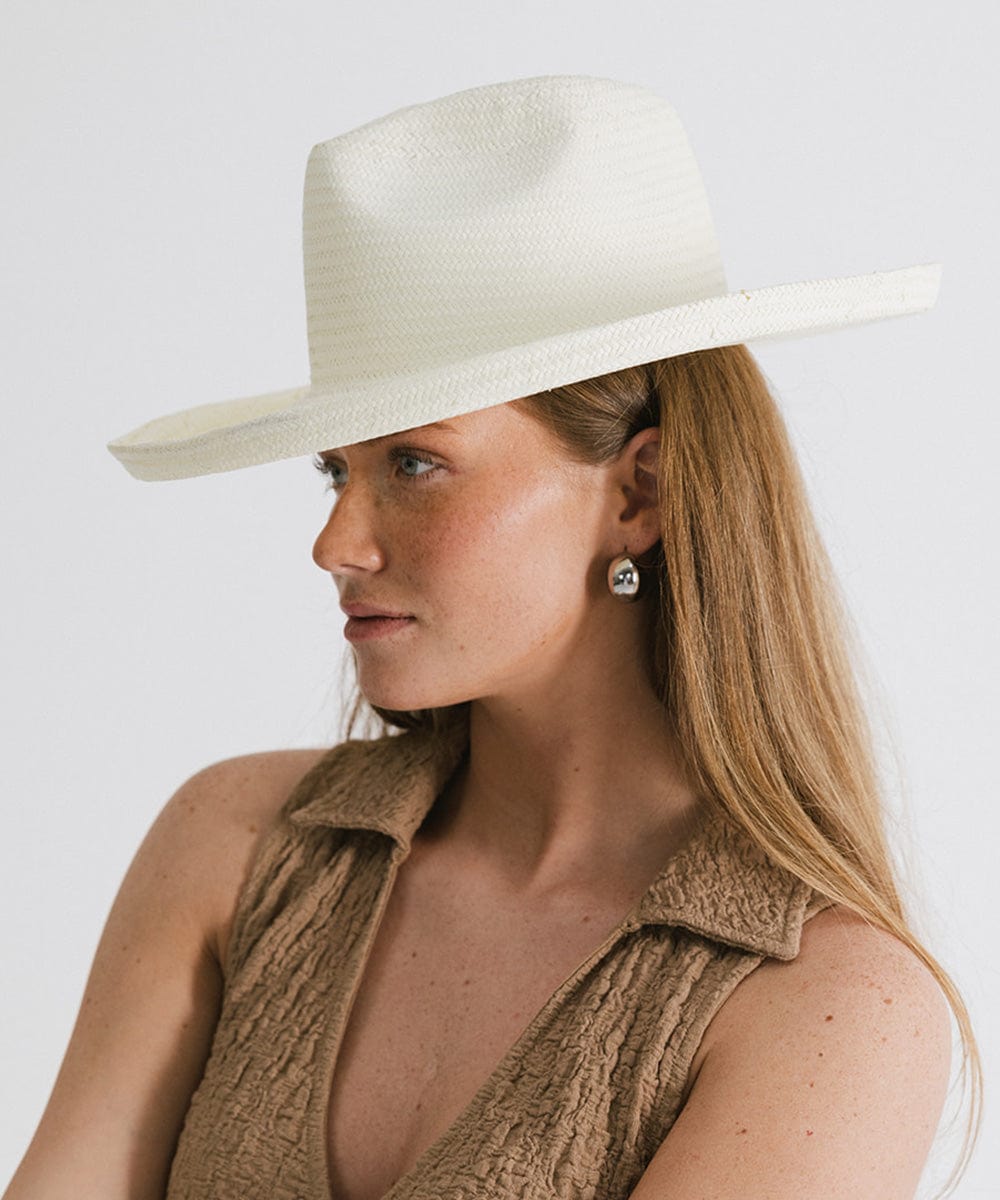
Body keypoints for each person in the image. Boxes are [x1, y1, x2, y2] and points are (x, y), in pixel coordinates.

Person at [3, 75, 981, 1200]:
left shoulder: (827, 1004)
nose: (334, 542)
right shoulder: (236, 848)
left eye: (412, 464)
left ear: (641, 491)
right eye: (337, 470)